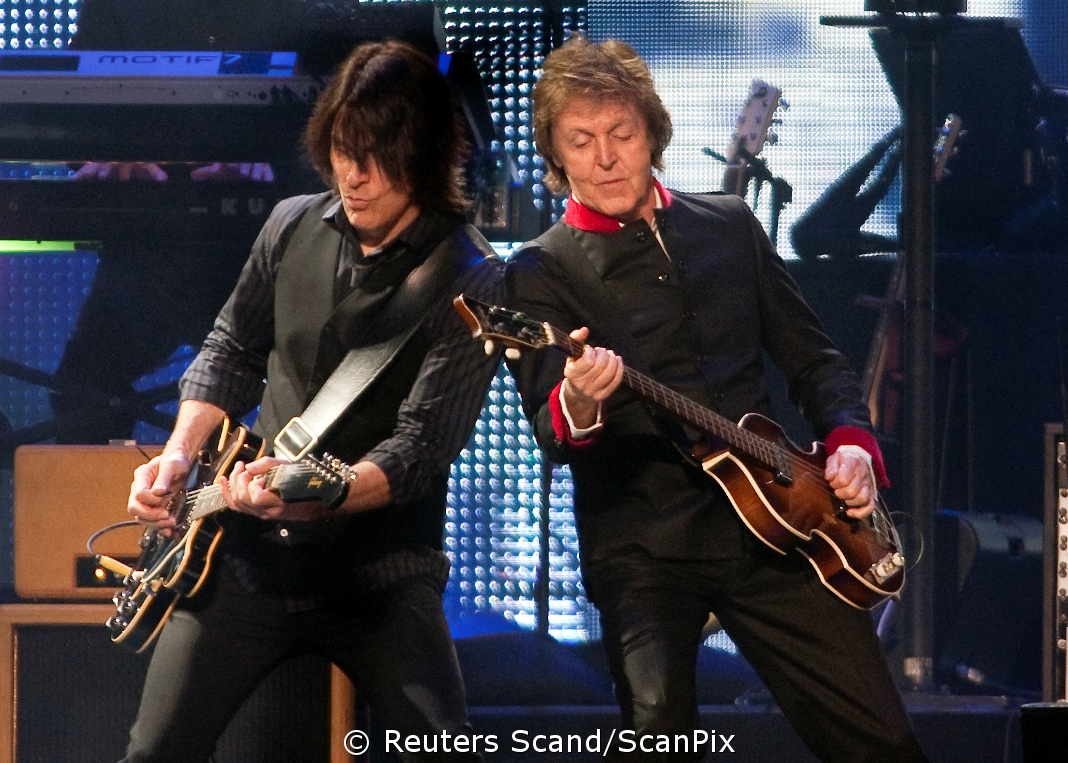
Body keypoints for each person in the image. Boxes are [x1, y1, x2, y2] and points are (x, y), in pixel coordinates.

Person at [505, 36, 930, 763]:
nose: (605, 158)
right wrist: (580, 398)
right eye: (581, 141)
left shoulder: (730, 224)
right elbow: (552, 429)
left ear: (653, 134)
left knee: (883, 741)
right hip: (645, 545)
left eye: (621, 134)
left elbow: (815, 361)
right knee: (658, 738)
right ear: (557, 156)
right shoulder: (541, 269)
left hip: (781, 524)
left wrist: (852, 445)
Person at [122, 40, 502, 763]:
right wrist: (176, 457)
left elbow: (422, 447)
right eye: (341, 151)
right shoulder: (291, 224)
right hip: (246, 560)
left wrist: (322, 496)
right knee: (153, 751)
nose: (352, 177)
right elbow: (231, 349)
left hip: (380, 576)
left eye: (375, 158)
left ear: (423, 155)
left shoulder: (472, 276)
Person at [52, 0, 310, 443]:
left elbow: (336, 105)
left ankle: (254, 483)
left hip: (267, 251)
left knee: (308, 391)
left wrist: (270, 163)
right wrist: (111, 154)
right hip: (152, 249)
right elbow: (72, 104)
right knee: (83, 388)